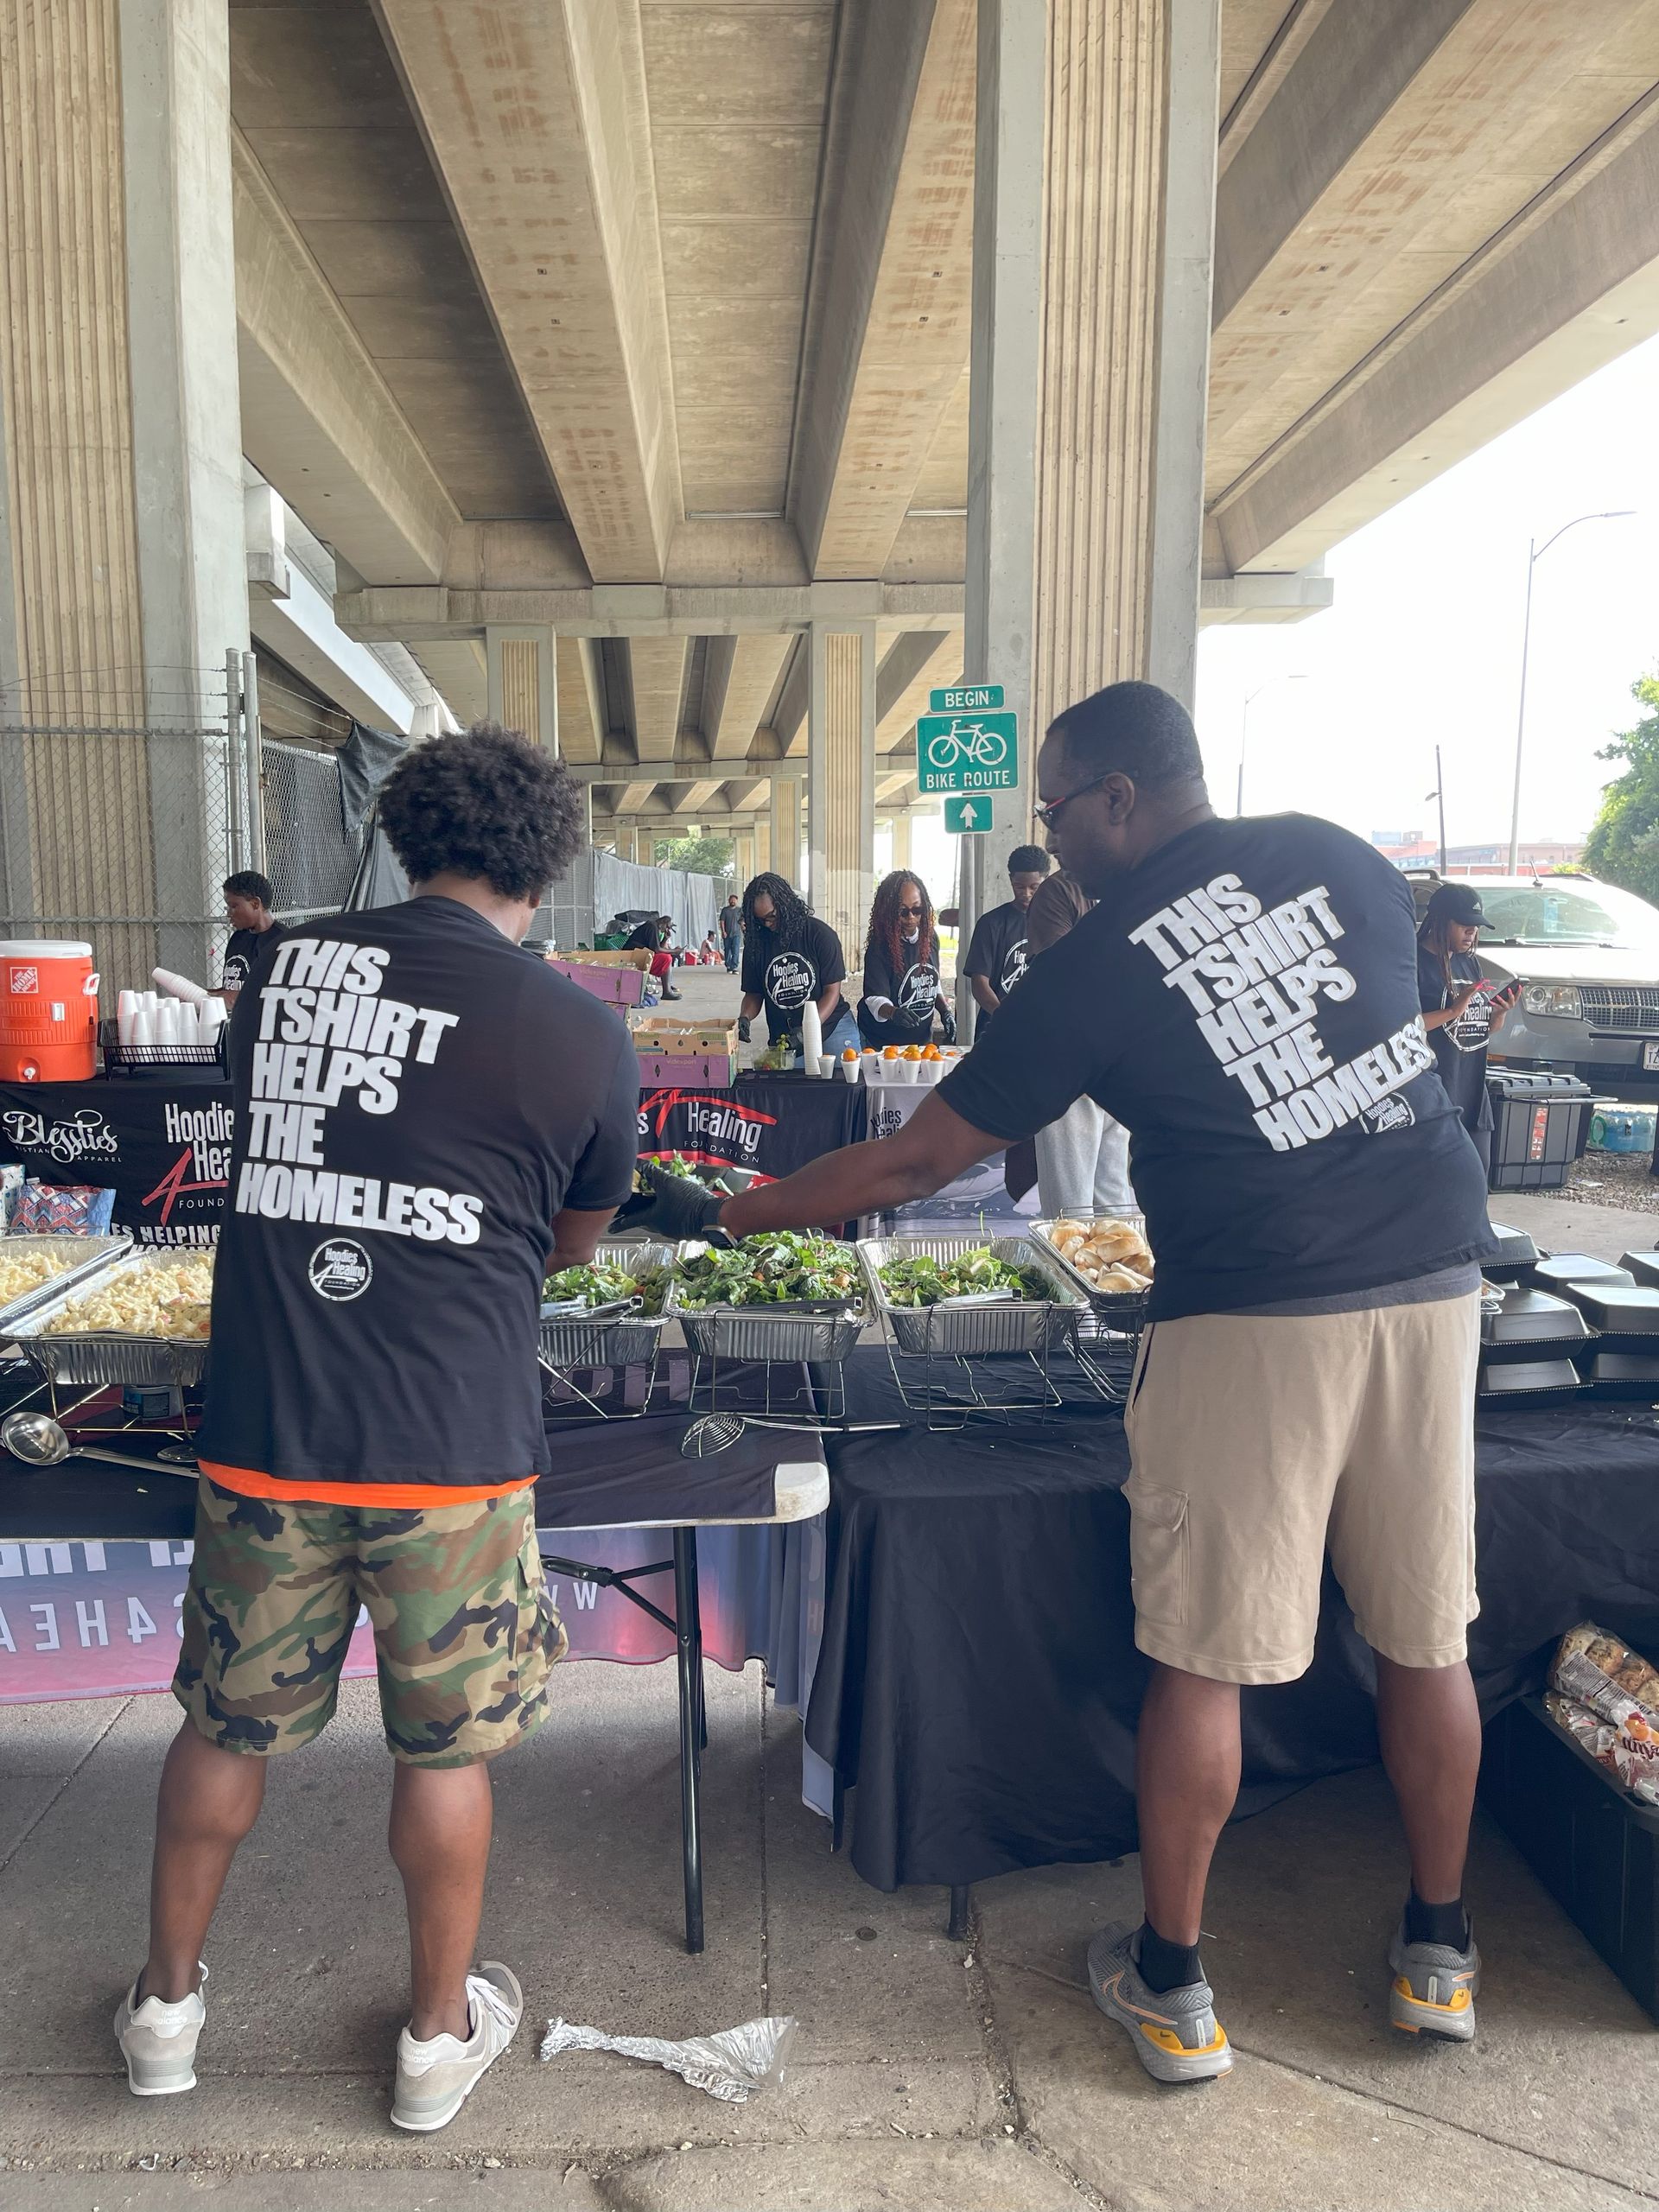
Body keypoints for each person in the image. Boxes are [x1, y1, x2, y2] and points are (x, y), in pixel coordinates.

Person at [633, 680, 1497, 2083]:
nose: (1044, 836)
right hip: (1435, 1283)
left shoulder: (1097, 971)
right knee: (1426, 1634)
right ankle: (1442, 1959)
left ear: (1115, 801)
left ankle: (1172, 1984)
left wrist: (722, 1213)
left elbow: (917, 1163)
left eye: (1053, 810)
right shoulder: (1341, 856)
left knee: (1206, 1657)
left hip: (1253, 1314)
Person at [118, 724, 639, 2131]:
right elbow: (571, 1244)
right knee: (445, 1754)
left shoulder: (280, 966)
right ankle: (431, 2038)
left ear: (412, 835)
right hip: (453, 1457)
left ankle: (165, 2012)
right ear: (548, 865)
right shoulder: (583, 1031)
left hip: (269, 1432)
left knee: (222, 1730)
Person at [1025, 868, 1134, 1216]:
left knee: (1088, 1210)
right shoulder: (1062, 891)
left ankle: (1103, 1271)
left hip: (1095, 1064)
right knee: (1091, 1206)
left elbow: (1069, 978)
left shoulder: (1065, 890)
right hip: (1092, 1062)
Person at [1417, 883, 1516, 1181]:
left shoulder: (1469, 962)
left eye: (1476, 926)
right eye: (1464, 924)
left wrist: (1497, 1017)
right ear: (1439, 920)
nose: (1472, 932)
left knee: (1478, 1178)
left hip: (1472, 1090)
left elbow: (1476, 1031)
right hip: (1436, 1093)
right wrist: (1452, 1010)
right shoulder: (1413, 964)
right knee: (1440, 1184)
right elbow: (1404, 1025)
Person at [737, 872, 859, 1058]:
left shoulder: (820, 935)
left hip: (831, 1027)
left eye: (772, 916)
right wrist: (745, 1017)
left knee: (843, 1083)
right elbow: (754, 993)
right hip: (785, 1038)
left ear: (785, 905)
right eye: (761, 920)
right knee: (790, 1086)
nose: (768, 924)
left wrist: (806, 1030)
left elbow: (832, 992)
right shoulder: (756, 945)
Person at [857, 871, 956, 1048]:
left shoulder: (930, 937)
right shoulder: (879, 946)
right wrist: (894, 1013)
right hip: (883, 1043)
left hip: (921, 1042)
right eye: (903, 911)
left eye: (917, 910)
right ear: (889, 912)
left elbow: (933, 982)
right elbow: (874, 999)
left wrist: (945, 1011)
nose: (911, 917)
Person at [963, 844, 1051, 1035]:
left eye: (1034, 887)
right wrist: (1005, 1017)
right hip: (996, 1029)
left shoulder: (1055, 924)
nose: (1026, 893)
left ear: (1046, 881)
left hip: (1043, 1029)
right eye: (1019, 886)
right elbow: (979, 985)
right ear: (1011, 880)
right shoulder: (991, 924)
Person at [220, 871, 286, 1002]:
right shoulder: (237, 938)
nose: (229, 913)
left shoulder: (282, 942)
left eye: (234, 906)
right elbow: (230, 989)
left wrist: (236, 999)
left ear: (255, 904)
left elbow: (280, 996)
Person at [623, 913, 679, 1000]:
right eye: (667, 927)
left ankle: (668, 990)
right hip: (633, 956)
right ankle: (667, 992)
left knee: (666, 957)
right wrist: (674, 951)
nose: (667, 930)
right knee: (666, 958)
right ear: (663, 922)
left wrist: (665, 938)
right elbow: (657, 949)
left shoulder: (653, 927)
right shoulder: (652, 927)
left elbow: (656, 948)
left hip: (639, 954)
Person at [719, 892, 744, 975]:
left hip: (736, 934)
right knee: (727, 950)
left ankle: (734, 967)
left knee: (736, 950)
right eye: (731, 900)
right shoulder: (725, 910)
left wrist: (743, 928)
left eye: (734, 900)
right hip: (727, 933)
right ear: (729, 901)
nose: (733, 901)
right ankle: (728, 966)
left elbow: (742, 921)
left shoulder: (739, 910)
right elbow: (722, 921)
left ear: (736, 901)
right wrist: (723, 931)